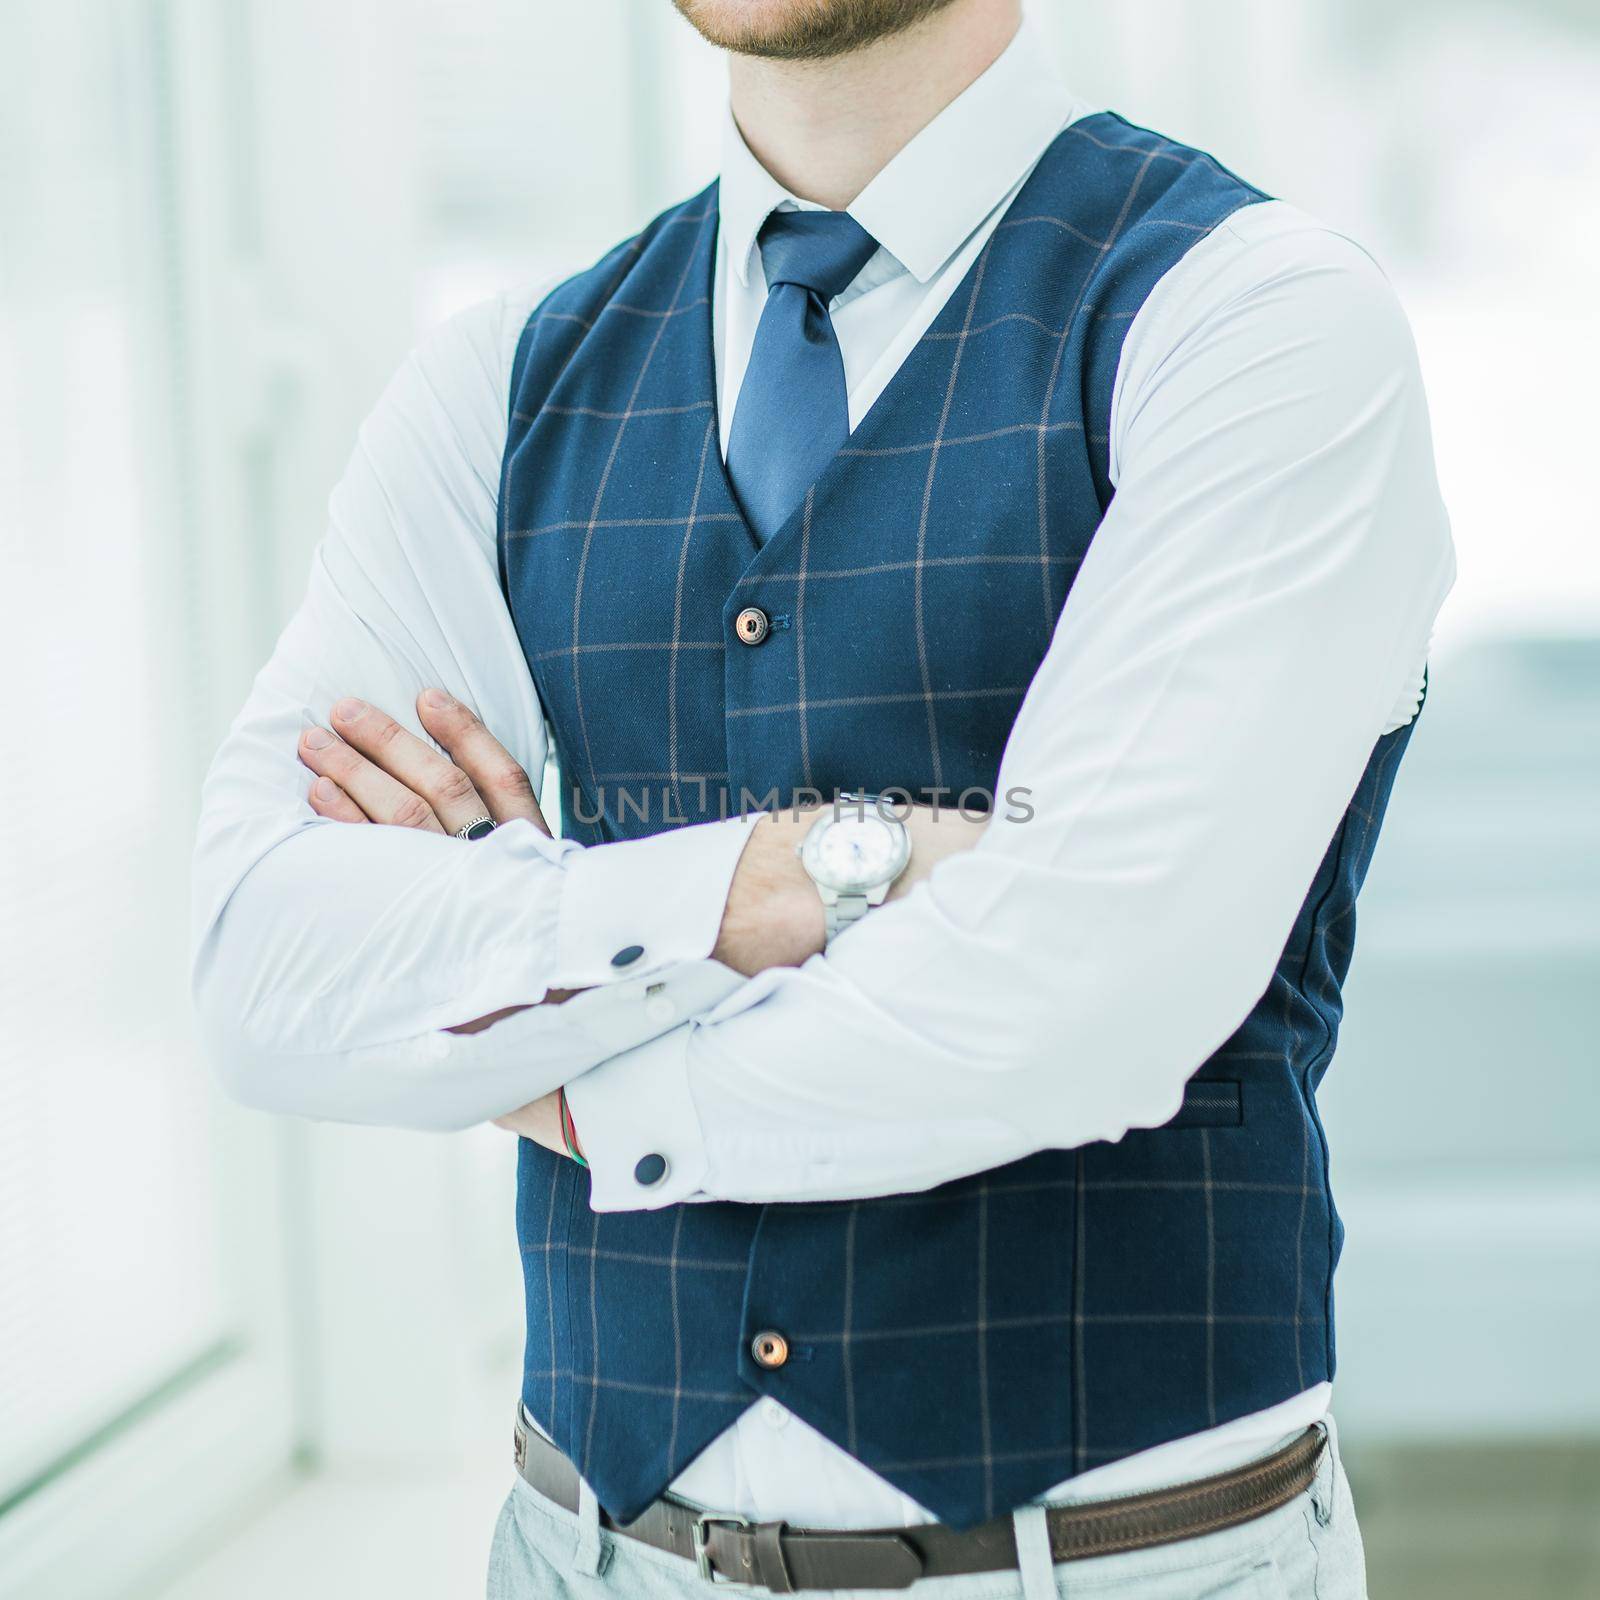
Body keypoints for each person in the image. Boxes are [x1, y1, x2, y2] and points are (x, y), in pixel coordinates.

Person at [191, 0, 1455, 1594]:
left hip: (1113, 1565)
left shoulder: (1253, 322)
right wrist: (814, 875)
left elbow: (1080, 999)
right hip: (585, 1551)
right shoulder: (499, 384)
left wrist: (545, 1057)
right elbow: (263, 971)